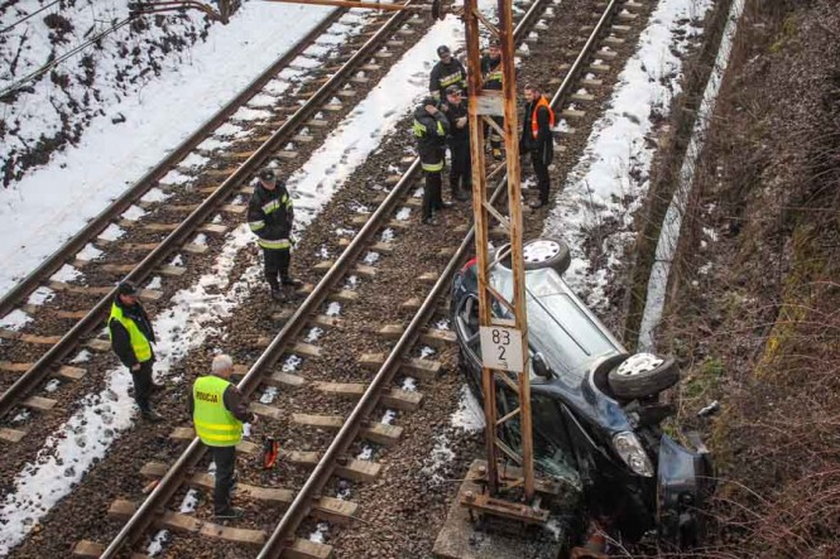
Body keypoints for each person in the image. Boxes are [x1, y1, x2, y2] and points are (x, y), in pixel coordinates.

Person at [189, 354, 256, 519]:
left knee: (223, 467)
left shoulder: (199, 383)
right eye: (231, 369)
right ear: (225, 370)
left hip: (205, 434)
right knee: (223, 472)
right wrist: (252, 418)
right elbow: (239, 411)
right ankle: (222, 510)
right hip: (223, 438)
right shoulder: (227, 389)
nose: (232, 372)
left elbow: (190, 406)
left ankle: (228, 484)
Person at [108, 281, 162, 422]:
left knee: (148, 370)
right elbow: (120, 346)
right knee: (140, 383)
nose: (134, 298)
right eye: (131, 296)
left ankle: (150, 385)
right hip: (137, 358)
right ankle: (146, 410)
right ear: (122, 296)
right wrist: (132, 362)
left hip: (144, 348)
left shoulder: (132, 306)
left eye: (135, 295)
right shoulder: (118, 320)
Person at [247, 168, 301, 301]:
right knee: (271, 265)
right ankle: (275, 289)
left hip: (284, 236)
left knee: (285, 259)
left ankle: (285, 279)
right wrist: (275, 232)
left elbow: (288, 204)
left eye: (272, 181)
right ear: (261, 181)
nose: (271, 184)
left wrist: (289, 220)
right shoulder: (257, 200)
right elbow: (255, 225)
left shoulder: (281, 188)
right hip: (270, 241)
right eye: (267, 182)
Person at [412, 96, 450, 224]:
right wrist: (438, 113)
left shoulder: (422, 115)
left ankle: (438, 203)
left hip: (433, 151)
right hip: (430, 154)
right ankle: (426, 216)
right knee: (431, 183)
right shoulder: (426, 120)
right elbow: (442, 129)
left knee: (437, 179)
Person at [520, 83, 555, 209]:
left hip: (541, 147)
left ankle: (543, 199)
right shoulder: (531, 105)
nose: (527, 97)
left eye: (529, 94)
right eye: (525, 95)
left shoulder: (541, 109)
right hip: (535, 144)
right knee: (538, 170)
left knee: (542, 171)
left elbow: (543, 132)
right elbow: (527, 126)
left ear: (536, 93)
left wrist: (535, 146)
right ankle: (541, 187)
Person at [440, 85, 471, 201]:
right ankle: (455, 190)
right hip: (455, 140)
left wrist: (466, 118)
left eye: (458, 94)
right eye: (454, 96)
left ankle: (466, 182)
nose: (457, 97)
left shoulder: (463, 104)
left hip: (466, 137)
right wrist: (461, 120)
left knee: (468, 161)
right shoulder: (446, 109)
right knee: (457, 165)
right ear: (448, 97)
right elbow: (456, 124)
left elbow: (470, 112)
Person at [481, 39, 504, 161]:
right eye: (491, 50)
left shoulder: (504, 61)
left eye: (495, 50)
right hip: (485, 98)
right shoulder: (484, 61)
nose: (493, 52)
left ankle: (496, 148)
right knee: (484, 124)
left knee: (498, 124)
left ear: (500, 50)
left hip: (499, 98)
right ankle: (483, 146)